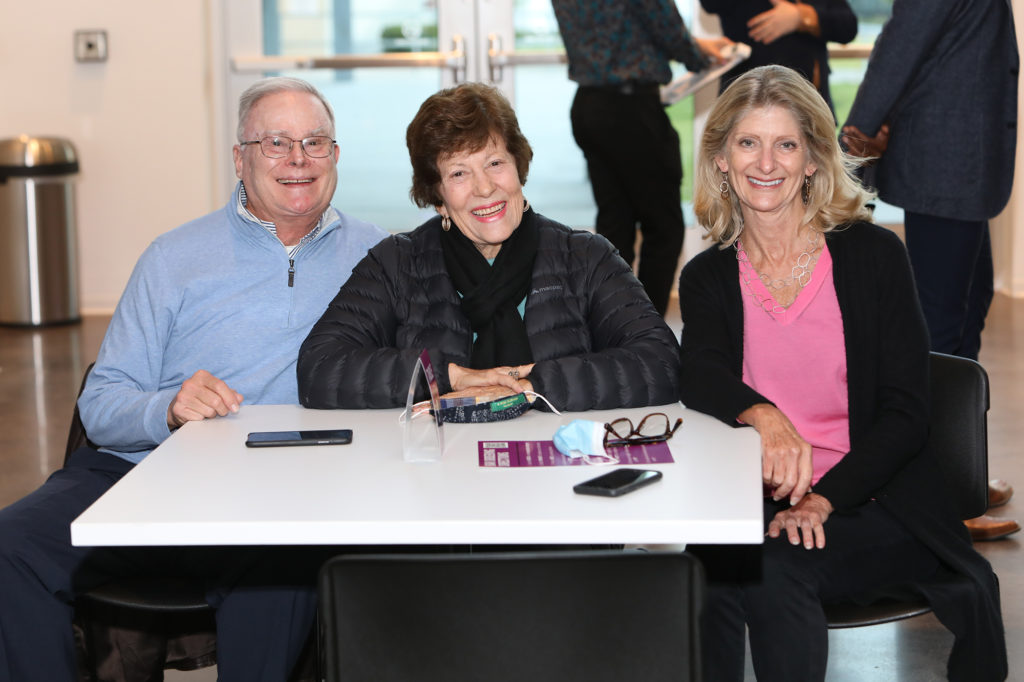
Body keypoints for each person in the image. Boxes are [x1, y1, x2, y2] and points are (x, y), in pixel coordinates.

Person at [0, 77, 386, 681]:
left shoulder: (378, 257)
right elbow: (102, 400)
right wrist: (167, 409)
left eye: (315, 142)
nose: (298, 159)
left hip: (286, 491)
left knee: (287, 569)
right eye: (276, 143)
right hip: (143, 472)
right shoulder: (172, 257)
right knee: (10, 550)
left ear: (335, 156)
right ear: (239, 158)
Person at [678, 65, 1006, 681]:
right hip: (762, 500)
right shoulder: (708, 275)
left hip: (878, 501)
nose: (766, 163)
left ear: (812, 160)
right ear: (721, 158)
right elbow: (699, 370)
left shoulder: (873, 256)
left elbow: (907, 415)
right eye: (748, 142)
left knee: (771, 571)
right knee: (705, 571)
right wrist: (765, 416)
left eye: (786, 144)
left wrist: (823, 500)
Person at [297, 82, 679, 412]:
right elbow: (320, 368)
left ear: (518, 167)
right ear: (438, 197)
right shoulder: (397, 262)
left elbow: (661, 362)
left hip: (558, 459)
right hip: (439, 462)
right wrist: (449, 377)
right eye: (458, 173)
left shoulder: (585, 257)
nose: (484, 187)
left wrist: (532, 387)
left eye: (495, 163)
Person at [841, 0, 1020, 542]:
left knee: (966, 314)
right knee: (939, 334)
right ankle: (938, 498)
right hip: (947, 161)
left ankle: (962, 473)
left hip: (962, 162)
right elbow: (904, 40)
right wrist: (856, 133)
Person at [551, 0, 733, 317]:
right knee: (663, 229)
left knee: (615, 225)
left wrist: (696, 46)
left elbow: (616, 28)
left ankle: (611, 326)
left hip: (590, 106)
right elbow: (664, 25)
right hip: (631, 110)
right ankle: (645, 330)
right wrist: (697, 55)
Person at [700, 0, 857, 116]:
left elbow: (848, 26)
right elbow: (710, 4)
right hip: (745, 99)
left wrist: (801, 16)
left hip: (808, 101)